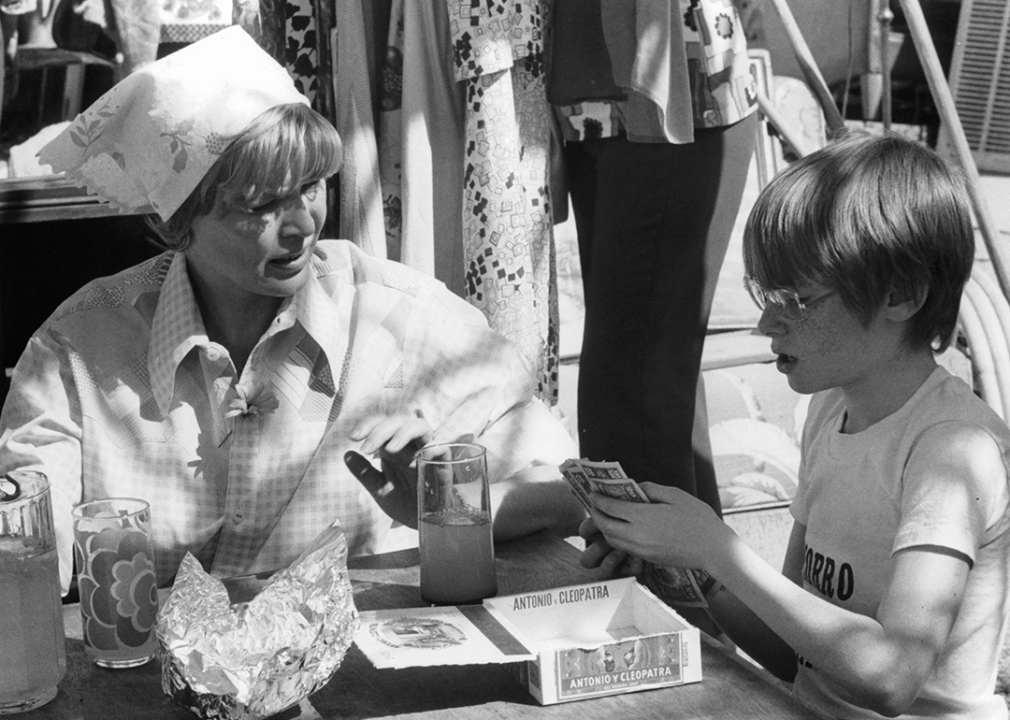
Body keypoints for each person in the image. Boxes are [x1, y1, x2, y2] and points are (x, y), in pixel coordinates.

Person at [0, 26, 585, 595]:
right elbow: (23, 543)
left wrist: (447, 498)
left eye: (311, 186)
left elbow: (569, 491)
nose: (303, 225)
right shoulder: (79, 351)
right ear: (179, 221)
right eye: (261, 206)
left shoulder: (402, 321)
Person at [581, 132, 1010, 719]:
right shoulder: (830, 412)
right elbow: (792, 657)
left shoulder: (952, 449)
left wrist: (718, 547)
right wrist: (690, 570)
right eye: (764, 292)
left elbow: (890, 679)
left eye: (794, 298)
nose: (764, 323)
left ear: (902, 295)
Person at [549, 0, 758, 513]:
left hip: (673, 96)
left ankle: (665, 588)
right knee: (646, 386)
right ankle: (697, 584)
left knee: (631, 393)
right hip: (592, 102)